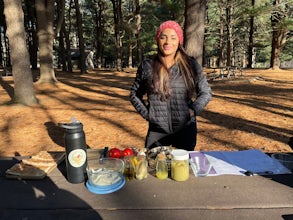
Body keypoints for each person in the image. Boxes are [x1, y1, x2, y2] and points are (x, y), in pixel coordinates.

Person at [129, 20, 212, 151]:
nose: (168, 42)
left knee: (182, 169)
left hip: (185, 130)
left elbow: (205, 92)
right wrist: (148, 114)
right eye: (163, 37)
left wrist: (193, 110)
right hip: (157, 131)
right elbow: (134, 94)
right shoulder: (147, 66)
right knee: (154, 168)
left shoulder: (190, 65)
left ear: (179, 41)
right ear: (158, 40)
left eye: (173, 38)